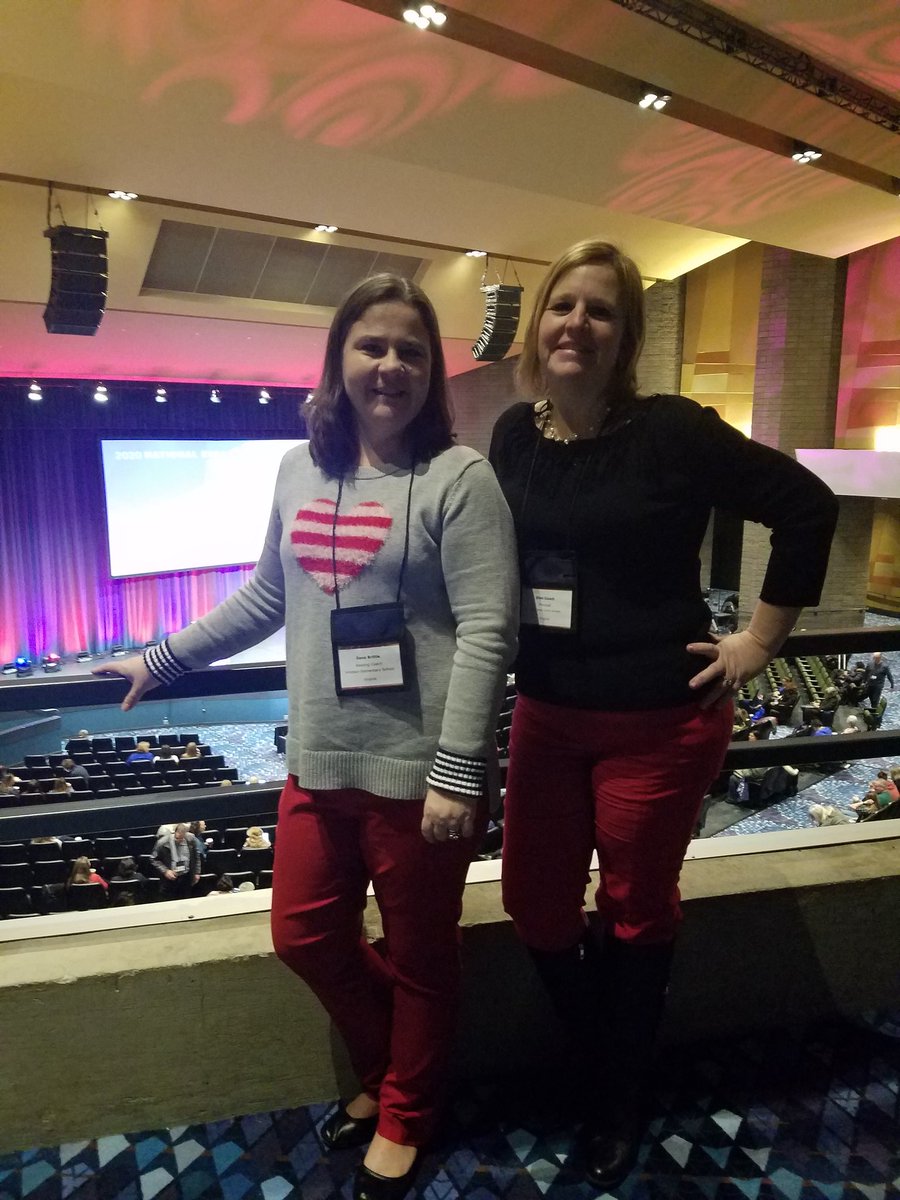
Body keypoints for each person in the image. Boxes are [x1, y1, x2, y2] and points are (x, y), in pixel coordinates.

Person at [93, 273, 518, 1200]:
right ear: (339, 360)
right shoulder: (298, 469)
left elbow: (490, 625)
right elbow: (264, 600)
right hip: (319, 761)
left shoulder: (459, 478)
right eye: (372, 346)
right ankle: (388, 1067)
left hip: (420, 775)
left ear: (431, 372)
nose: (391, 366)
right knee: (303, 933)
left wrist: (458, 771)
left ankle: (407, 1111)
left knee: (424, 955)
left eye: (412, 350)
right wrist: (157, 662)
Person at [488, 238, 838, 1189]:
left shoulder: (673, 431)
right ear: (538, 325)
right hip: (549, 716)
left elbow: (807, 507)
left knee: (638, 911)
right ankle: (613, 1049)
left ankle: (614, 1094)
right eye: (564, 306)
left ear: (625, 337)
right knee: (534, 904)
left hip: (658, 723)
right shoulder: (514, 435)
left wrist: (759, 643)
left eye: (601, 311)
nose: (578, 324)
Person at [150, 822, 201, 899]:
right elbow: (153, 859)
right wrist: (165, 871)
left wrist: (197, 872)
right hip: (170, 879)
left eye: (182, 838)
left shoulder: (191, 839)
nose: (179, 840)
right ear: (174, 832)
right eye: (177, 838)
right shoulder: (162, 842)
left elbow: (196, 856)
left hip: (186, 877)